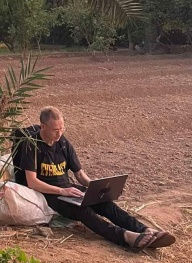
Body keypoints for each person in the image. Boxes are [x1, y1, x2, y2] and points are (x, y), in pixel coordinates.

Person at [21, 106, 176, 250]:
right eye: (55, 130)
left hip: (68, 190)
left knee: (106, 204)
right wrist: (62, 190)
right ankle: (125, 236)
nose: (59, 133)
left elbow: (79, 174)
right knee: (84, 211)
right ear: (43, 126)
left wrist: (99, 189)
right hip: (49, 193)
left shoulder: (62, 142)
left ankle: (144, 230)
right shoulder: (31, 145)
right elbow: (32, 182)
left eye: (62, 128)